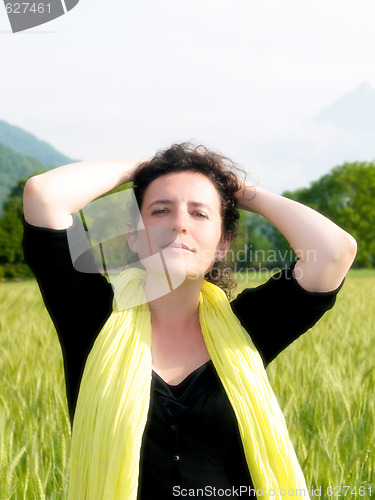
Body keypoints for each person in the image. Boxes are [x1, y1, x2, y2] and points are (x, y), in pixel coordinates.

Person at [22, 142, 356, 500]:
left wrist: (237, 190)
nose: (179, 223)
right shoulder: (91, 318)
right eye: (161, 210)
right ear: (134, 236)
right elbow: (44, 196)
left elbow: (334, 251)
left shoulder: (247, 329)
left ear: (223, 242)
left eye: (199, 214)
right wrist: (148, 168)